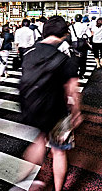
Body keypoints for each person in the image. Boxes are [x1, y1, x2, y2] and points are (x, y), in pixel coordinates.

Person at [19, 16, 81, 191]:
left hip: (33, 107)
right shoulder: (65, 58)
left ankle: (22, 182)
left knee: (39, 141)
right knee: (59, 151)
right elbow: (72, 91)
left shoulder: (29, 53)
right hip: (57, 110)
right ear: (63, 34)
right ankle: (58, 189)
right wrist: (76, 112)